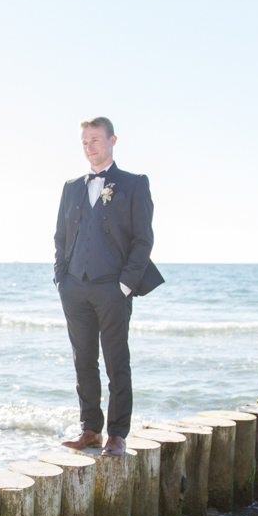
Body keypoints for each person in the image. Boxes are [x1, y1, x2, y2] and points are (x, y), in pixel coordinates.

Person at [53, 116, 164, 457]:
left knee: (117, 361)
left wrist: (126, 285)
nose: (90, 147)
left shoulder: (133, 184)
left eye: (96, 140)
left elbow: (144, 240)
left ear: (112, 140)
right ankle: (90, 429)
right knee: (83, 359)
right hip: (75, 287)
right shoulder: (71, 186)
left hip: (113, 289)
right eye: (85, 142)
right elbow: (60, 237)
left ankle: (117, 434)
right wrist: (62, 278)